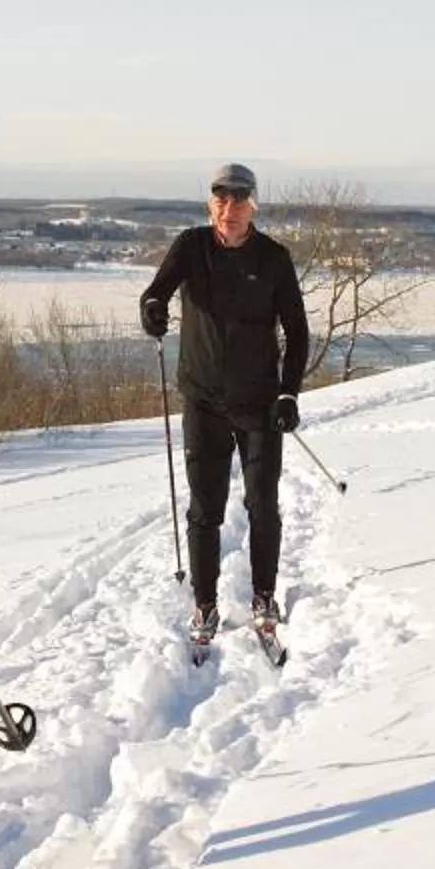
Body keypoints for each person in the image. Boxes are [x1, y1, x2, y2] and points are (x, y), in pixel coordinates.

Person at [138, 161, 309, 640]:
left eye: (237, 200)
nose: (228, 209)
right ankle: (205, 604)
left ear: (253, 204)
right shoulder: (191, 247)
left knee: (262, 504)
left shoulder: (273, 258)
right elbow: (156, 294)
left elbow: (297, 332)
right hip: (204, 399)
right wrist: (152, 311)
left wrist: (288, 392)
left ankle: (264, 595)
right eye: (220, 199)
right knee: (205, 508)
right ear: (211, 203)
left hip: (258, 404)